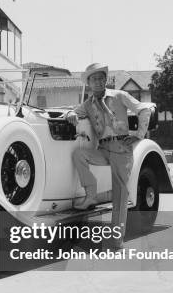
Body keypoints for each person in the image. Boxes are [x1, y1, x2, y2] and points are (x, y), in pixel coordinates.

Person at [65, 63, 154, 244]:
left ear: (105, 80)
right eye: (93, 79)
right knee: (79, 155)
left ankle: (116, 240)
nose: (97, 82)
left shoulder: (120, 95)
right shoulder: (88, 104)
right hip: (103, 149)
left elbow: (145, 109)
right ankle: (91, 193)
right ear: (88, 83)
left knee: (120, 194)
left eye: (100, 78)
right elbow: (72, 112)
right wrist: (70, 114)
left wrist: (139, 135)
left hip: (122, 148)